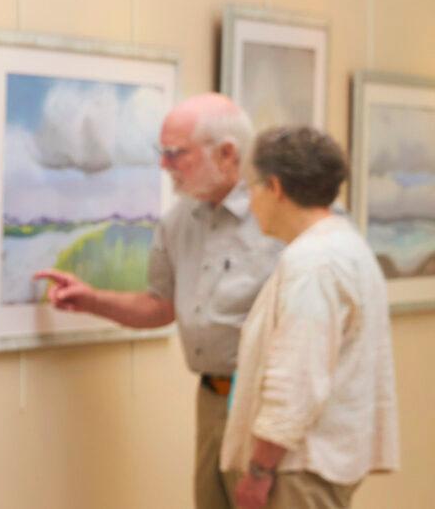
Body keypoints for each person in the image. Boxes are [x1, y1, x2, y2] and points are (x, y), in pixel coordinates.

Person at [33, 93, 281, 509]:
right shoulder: (178, 222)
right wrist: (92, 300)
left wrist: (264, 462)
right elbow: (160, 306)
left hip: (266, 409)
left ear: (226, 155)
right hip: (212, 400)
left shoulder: (279, 217)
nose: (163, 166)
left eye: (175, 154)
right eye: (161, 153)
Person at [220, 126, 401, 508]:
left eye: (253, 188)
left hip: (297, 467)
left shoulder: (313, 263)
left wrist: (258, 472)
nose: (250, 202)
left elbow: (297, 380)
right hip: (323, 461)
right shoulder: (347, 245)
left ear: (276, 187)